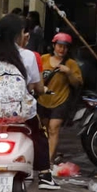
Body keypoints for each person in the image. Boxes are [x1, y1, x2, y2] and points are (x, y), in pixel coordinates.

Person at [37, 33, 84, 175]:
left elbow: (78, 83)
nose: (62, 50)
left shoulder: (71, 64)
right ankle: (44, 157)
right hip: (43, 100)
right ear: (53, 45)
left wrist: (69, 73)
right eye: (59, 46)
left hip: (60, 100)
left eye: (65, 47)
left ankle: (48, 162)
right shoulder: (43, 59)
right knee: (44, 130)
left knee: (53, 128)